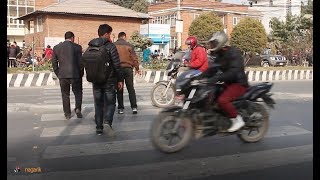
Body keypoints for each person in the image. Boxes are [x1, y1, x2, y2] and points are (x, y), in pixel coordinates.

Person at [206, 31, 249, 132]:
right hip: (227, 82)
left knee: (222, 100)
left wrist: (218, 77)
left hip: (238, 84)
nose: (212, 45)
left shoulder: (234, 53)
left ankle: (237, 120)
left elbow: (233, 72)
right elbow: (213, 68)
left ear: (221, 42)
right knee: (209, 96)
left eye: (214, 42)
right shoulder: (220, 54)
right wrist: (201, 77)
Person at [88, 24, 124, 135]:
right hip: (109, 80)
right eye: (110, 34)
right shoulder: (110, 46)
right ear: (106, 34)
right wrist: (120, 80)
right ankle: (107, 121)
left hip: (95, 80)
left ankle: (99, 128)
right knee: (111, 103)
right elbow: (117, 65)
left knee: (98, 104)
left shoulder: (91, 46)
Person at [52, 31, 84, 120]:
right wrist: (81, 73)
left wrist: (58, 73)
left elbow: (54, 63)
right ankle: (78, 109)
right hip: (75, 74)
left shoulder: (57, 48)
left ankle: (67, 113)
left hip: (63, 75)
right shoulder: (77, 47)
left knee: (65, 94)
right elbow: (81, 62)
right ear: (73, 38)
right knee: (78, 92)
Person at [114, 32, 140, 114]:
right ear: (124, 37)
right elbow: (134, 58)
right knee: (131, 88)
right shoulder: (129, 46)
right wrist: (137, 68)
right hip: (128, 69)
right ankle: (134, 107)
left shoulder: (113, 45)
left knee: (119, 88)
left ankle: (120, 108)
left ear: (118, 37)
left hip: (118, 69)